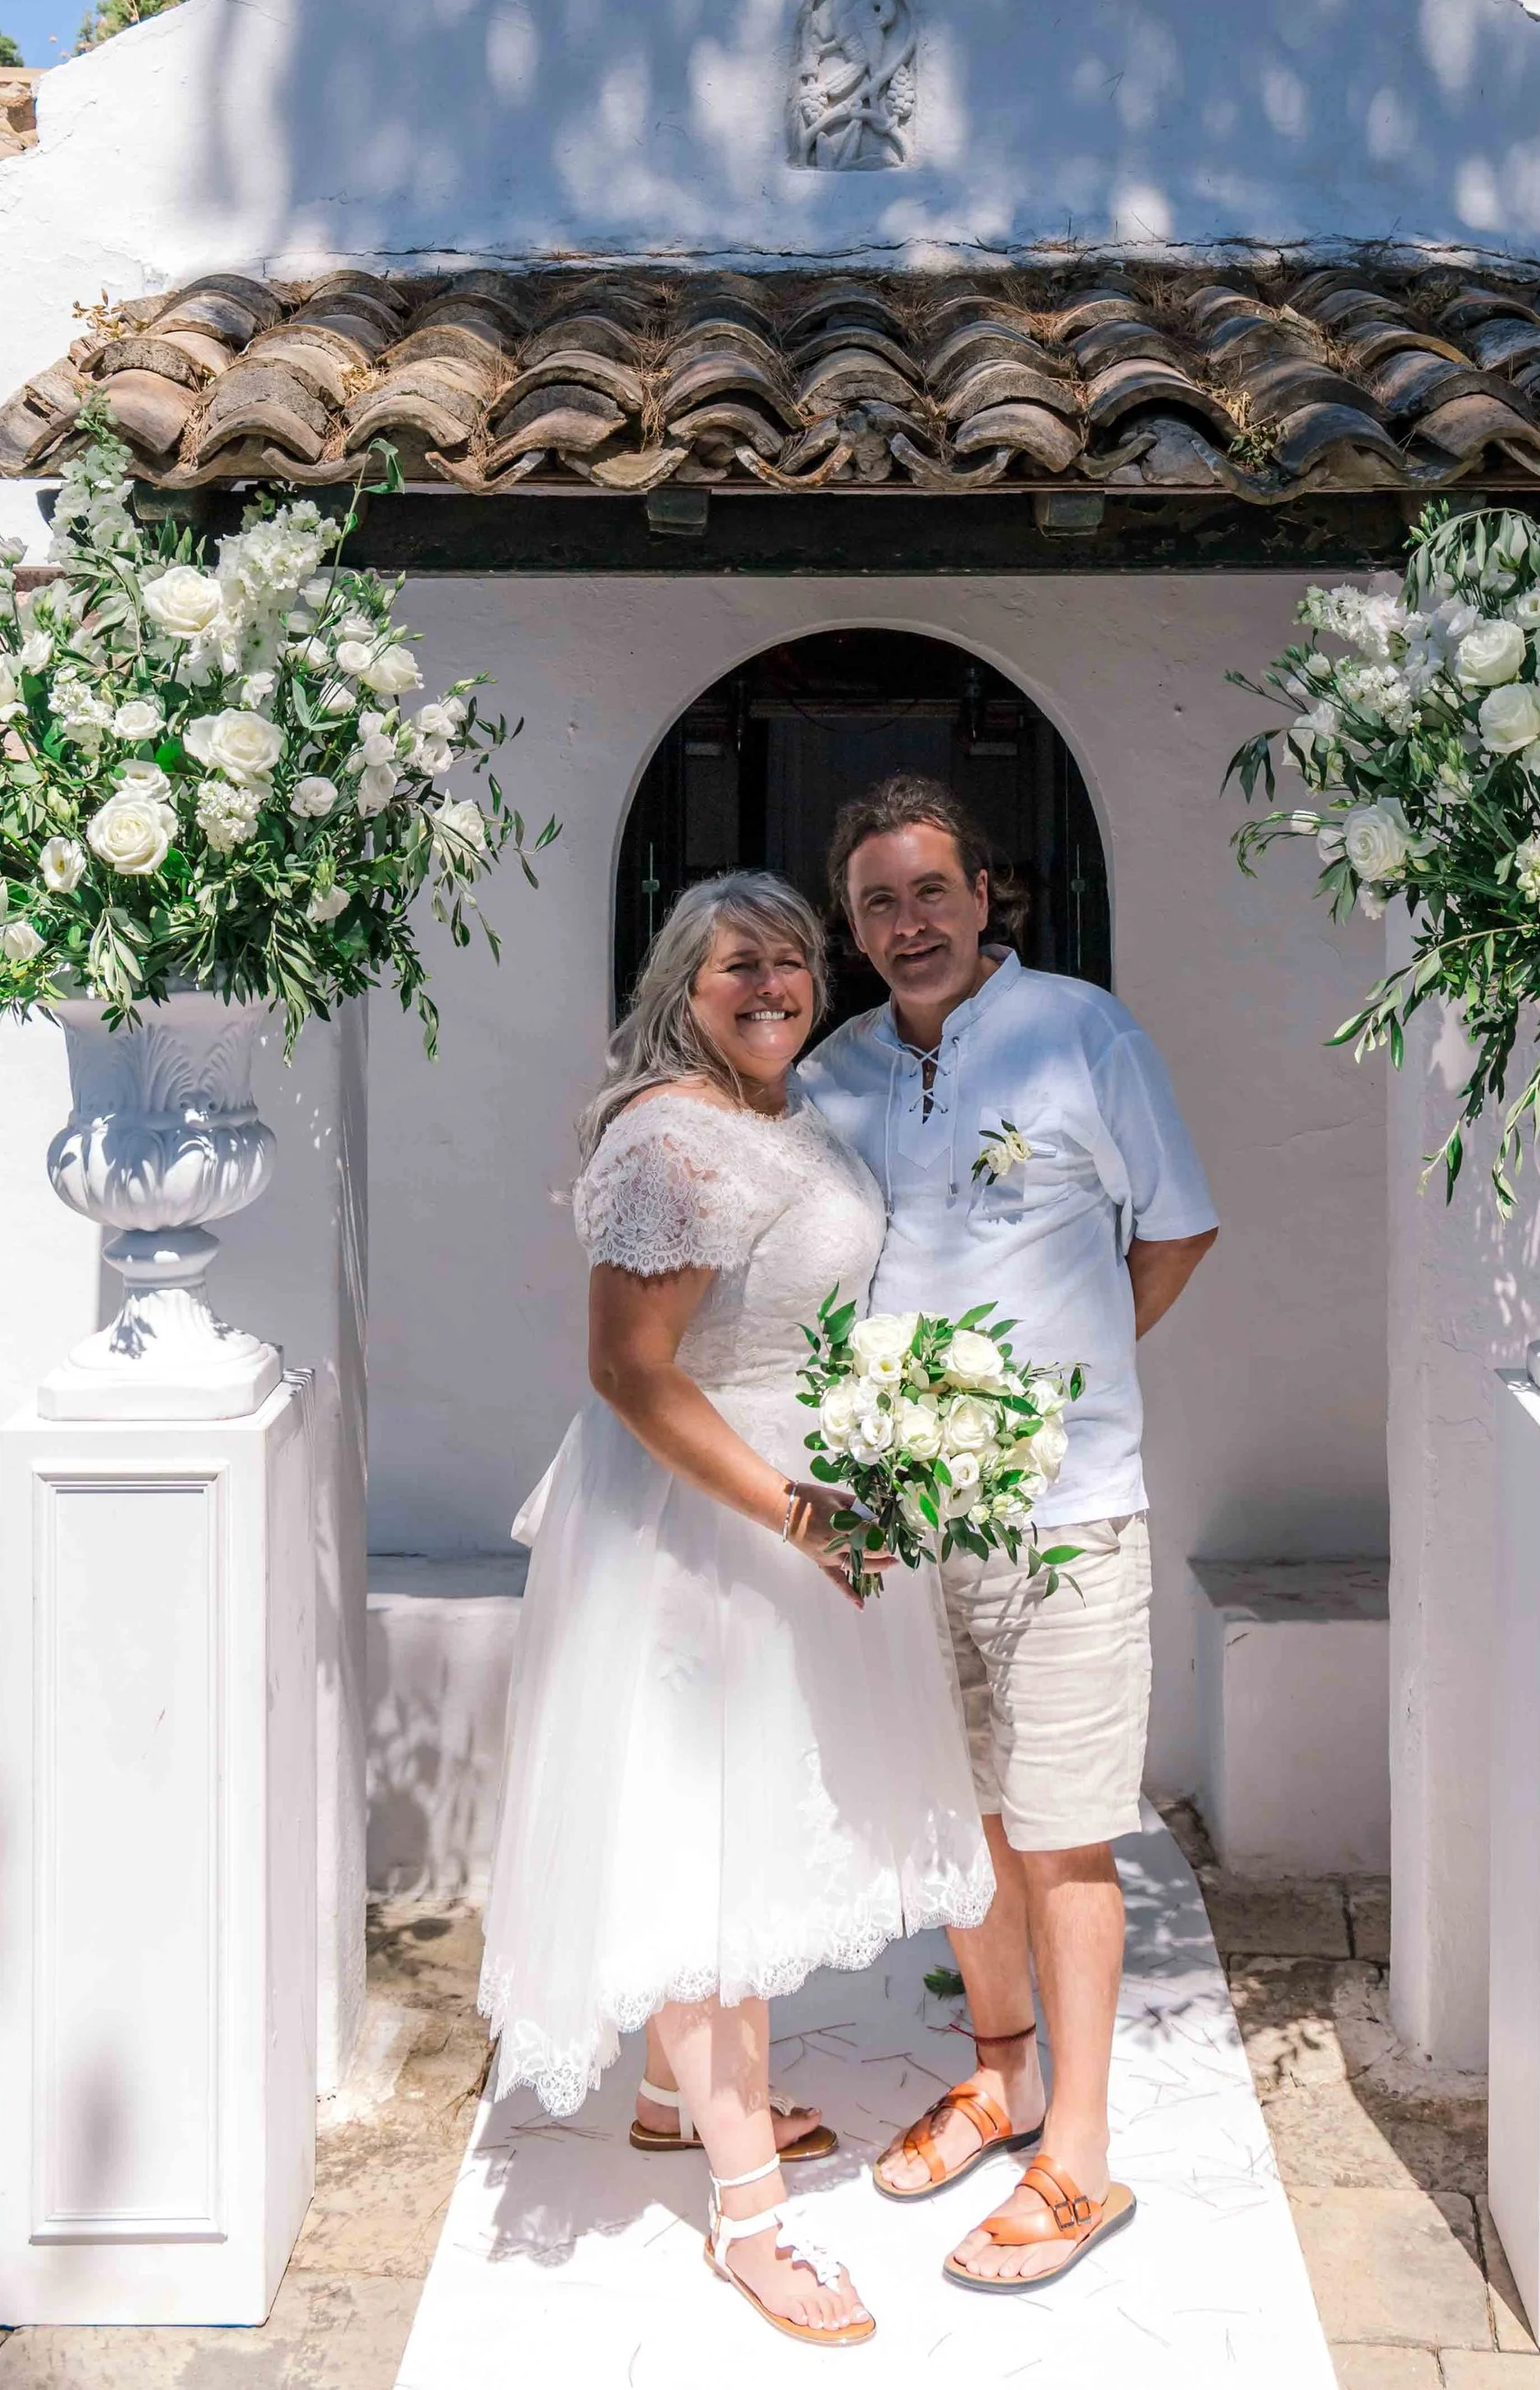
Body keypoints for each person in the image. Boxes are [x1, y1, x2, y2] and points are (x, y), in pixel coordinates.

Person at [477, 869, 995, 2349]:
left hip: (785, 1498)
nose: (773, 984)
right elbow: (631, 1368)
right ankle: (752, 2224)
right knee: (709, 1847)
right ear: (678, 989)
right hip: (701, 1524)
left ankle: (667, 2102)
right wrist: (791, 1513)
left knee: (733, 1821)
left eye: (791, 961)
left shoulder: (785, 1117)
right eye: (737, 966)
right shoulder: (673, 1140)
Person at [799, 778, 1218, 2295]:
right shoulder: (836, 1068)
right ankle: (1002, 2074)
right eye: (878, 904)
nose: (907, 923)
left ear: (989, 897)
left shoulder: (1083, 1032)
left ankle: (1081, 2158)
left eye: (930, 891)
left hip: (1068, 1511)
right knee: (967, 1812)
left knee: (1062, 1828)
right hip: (915, 1517)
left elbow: (1172, 1228)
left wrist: (1070, 1380)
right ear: (856, 929)